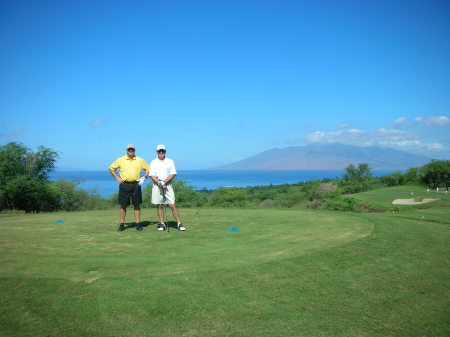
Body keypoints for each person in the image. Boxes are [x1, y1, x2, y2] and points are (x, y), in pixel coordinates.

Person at [109, 144, 149, 232]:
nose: (131, 150)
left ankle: (138, 224)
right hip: (124, 184)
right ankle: (122, 224)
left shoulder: (140, 160)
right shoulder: (121, 159)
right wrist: (117, 177)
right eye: (129, 149)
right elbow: (111, 168)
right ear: (126, 150)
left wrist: (144, 177)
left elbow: (148, 169)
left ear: (134, 150)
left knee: (137, 205)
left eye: (132, 149)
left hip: (136, 184)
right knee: (123, 205)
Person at [147, 144, 185, 231]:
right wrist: (159, 182)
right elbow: (152, 175)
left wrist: (164, 182)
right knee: (159, 205)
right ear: (156, 152)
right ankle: (162, 224)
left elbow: (173, 173)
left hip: (168, 185)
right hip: (157, 185)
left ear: (165, 151)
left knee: (172, 204)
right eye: (159, 151)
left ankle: (179, 223)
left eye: (162, 151)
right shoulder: (153, 162)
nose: (161, 152)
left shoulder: (170, 161)